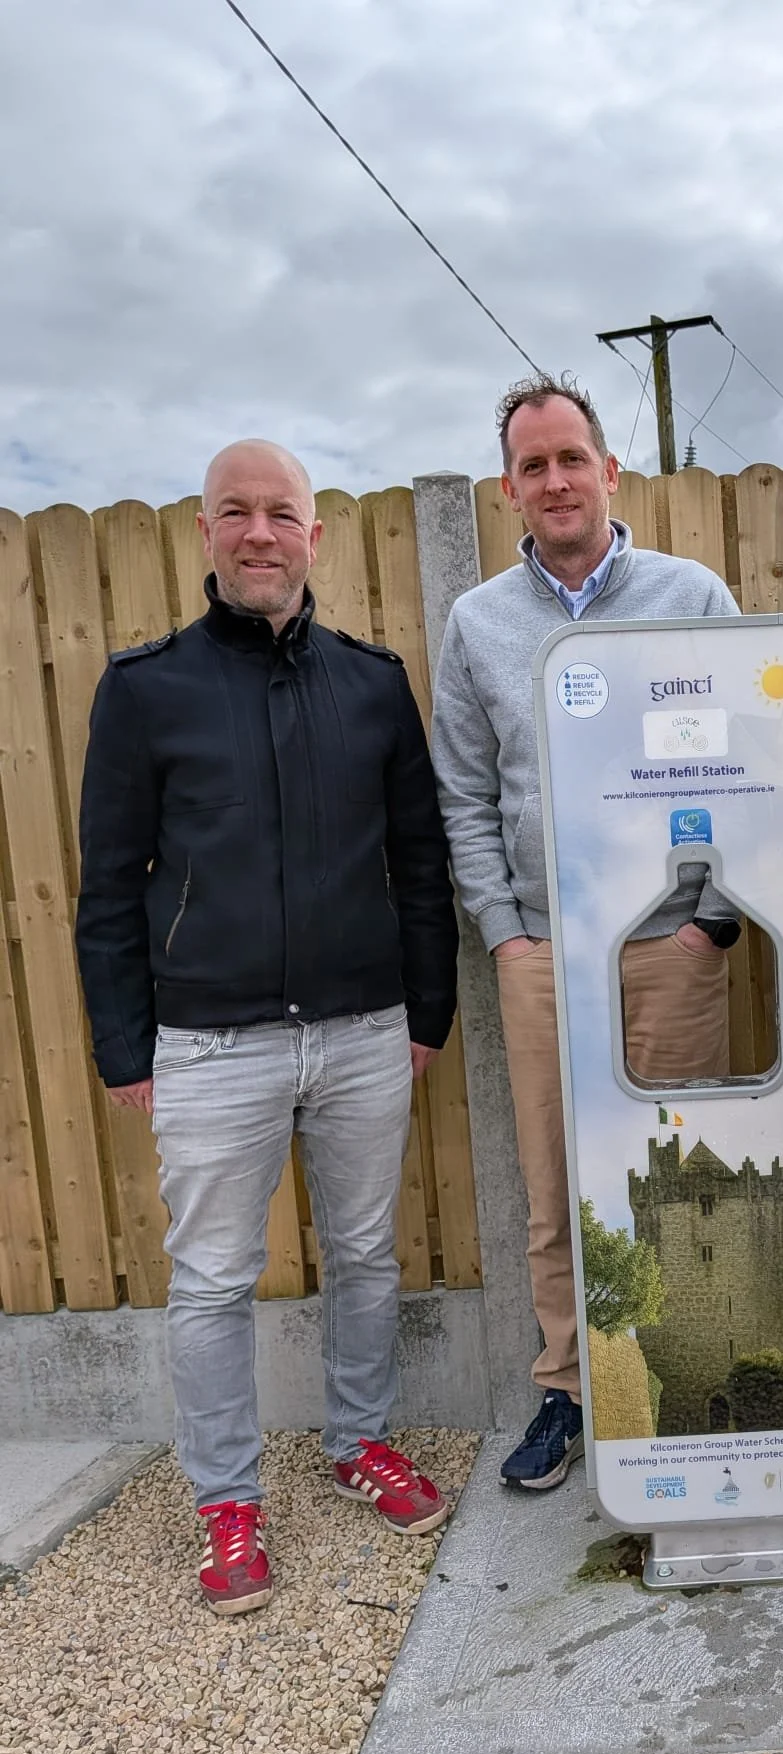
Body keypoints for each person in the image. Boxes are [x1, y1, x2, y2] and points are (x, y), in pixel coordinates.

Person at [74, 440, 460, 1615]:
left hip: (362, 1033)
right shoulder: (147, 689)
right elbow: (107, 884)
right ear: (203, 531)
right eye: (234, 513)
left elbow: (420, 860)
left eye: (279, 513)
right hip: (209, 1042)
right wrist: (125, 1044)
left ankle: (357, 1441)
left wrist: (427, 1009)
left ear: (314, 535)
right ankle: (225, 1500)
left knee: (360, 1254)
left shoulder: (373, 681)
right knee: (211, 1281)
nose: (257, 533)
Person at [432, 373, 740, 1492]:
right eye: (533, 465)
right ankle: (569, 1387)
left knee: (674, 1173)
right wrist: (507, 936)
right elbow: (463, 793)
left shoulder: (690, 592)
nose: (555, 480)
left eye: (573, 458)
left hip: (671, 946)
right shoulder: (479, 623)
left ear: (611, 471)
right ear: (509, 486)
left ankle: (676, 1377)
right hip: (542, 955)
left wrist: (711, 922)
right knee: (557, 1183)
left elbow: (743, 766)